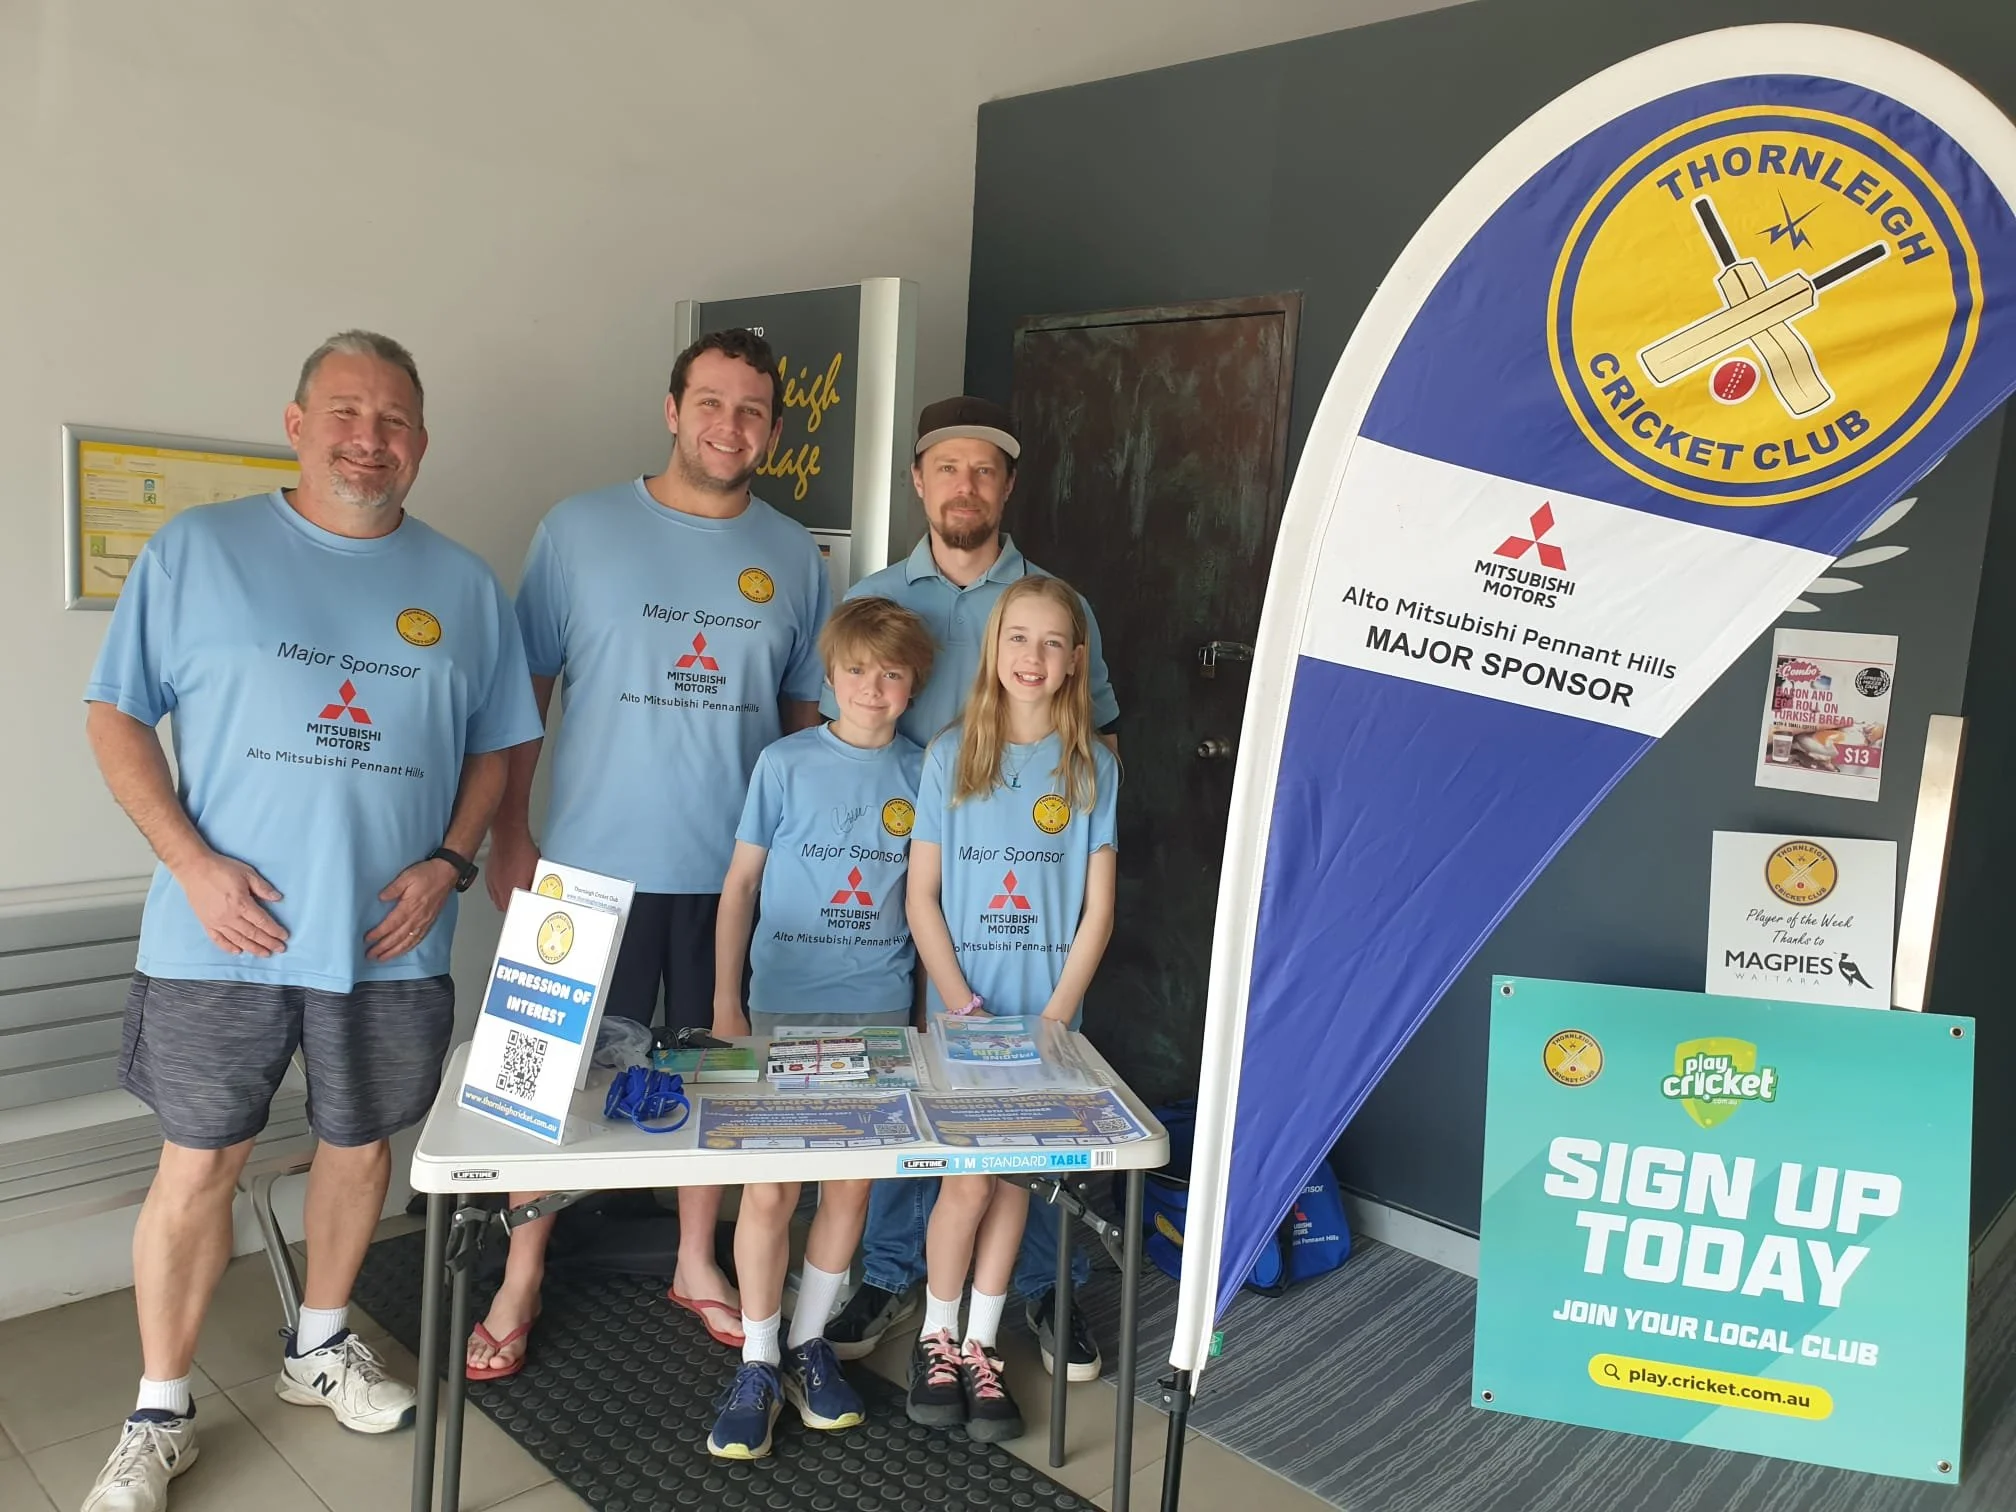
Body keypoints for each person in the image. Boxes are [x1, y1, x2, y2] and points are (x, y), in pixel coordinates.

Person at [78, 331, 542, 1512]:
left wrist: (450, 860)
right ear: (297, 424)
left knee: (359, 1145)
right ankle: (158, 1409)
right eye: (346, 413)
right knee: (199, 1165)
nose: (368, 440)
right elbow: (117, 720)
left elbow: (501, 742)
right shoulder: (197, 551)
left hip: (389, 938)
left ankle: (319, 1345)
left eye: (393, 422)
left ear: (421, 445)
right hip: (219, 936)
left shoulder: (463, 584)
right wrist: (192, 864)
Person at [467, 329, 829, 1376]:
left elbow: (806, 727)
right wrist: (512, 832)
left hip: (729, 878)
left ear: (772, 428)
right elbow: (520, 697)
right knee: (536, 1079)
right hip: (582, 866)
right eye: (711, 403)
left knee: (711, 1074)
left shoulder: (792, 553)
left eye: (753, 410)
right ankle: (519, 1270)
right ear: (673, 410)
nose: (731, 426)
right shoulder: (579, 530)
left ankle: (695, 1260)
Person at [826, 395, 1117, 1381]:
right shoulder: (876, 592)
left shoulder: (1049, 598)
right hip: (904, 888)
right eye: (948, 468)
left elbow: (1096, 737)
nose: (966, 486)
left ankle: (1038, 1285)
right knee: (923, 1087)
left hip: (1023, 903)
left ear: (1006, 486)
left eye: (985, 471)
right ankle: (900, 1269)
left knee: (1033, 1094)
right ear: (920, 480)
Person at [703, 596, 934, 1458]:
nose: (872, 688)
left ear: (913, 685)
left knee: (849, 1187)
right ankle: (757, 1360)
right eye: (856, 671)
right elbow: (738, 888)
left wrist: (919, 1016)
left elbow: (925, 900)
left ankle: (809, 1344)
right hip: (781, 1008)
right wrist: (729, 1004)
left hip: (875, 1010)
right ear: (829, 678)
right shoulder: (785, 762)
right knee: (770, 1189)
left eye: (892, 673)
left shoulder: (925, 775)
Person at [903, 573, 1119, 1441]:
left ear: (1074, 663)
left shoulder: (1092, 766)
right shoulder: (947, 757)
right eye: (1017, 638)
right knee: (966, 1180)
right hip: (964, 1017)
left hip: (1047, 1020)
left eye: (1052, 642)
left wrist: (1057, 1014)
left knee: (1016, 1181)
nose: (1033, 656)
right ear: (995, 650)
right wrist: (959, 1000)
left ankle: (983, 1347)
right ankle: (935, 1335)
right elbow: (922, 897)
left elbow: (1097, 910)